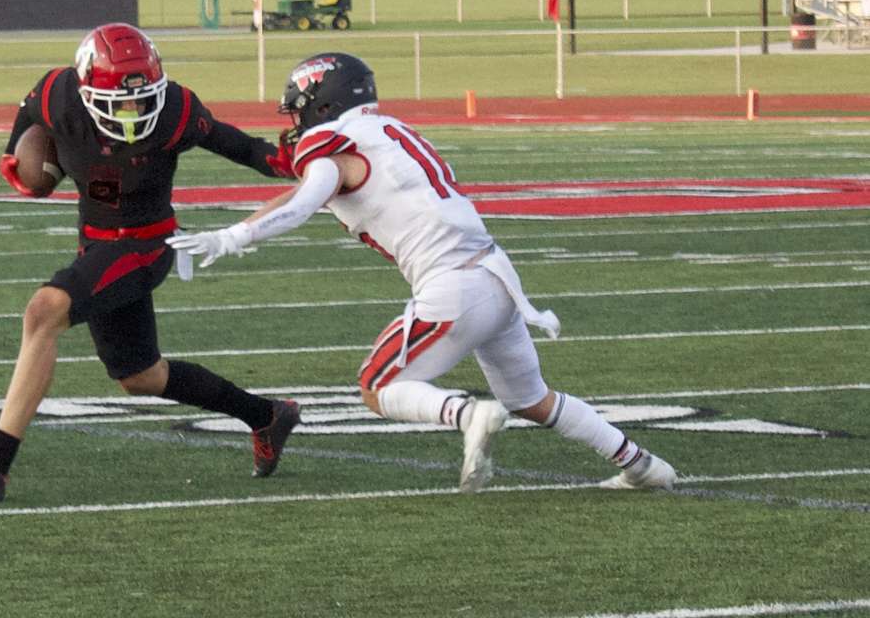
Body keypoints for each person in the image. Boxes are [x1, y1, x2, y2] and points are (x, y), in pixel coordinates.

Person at [167, 52, 677, 493]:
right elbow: (303, 196)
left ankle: (464, 413)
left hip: (452, 285)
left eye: (301, 110)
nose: (297, 123)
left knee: (376, 385)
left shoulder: (332, 144)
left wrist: (232, 238)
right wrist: (235, 228)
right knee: (531, 399)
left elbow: (303, 203)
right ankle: (641, 465)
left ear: (323, 103)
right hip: (497, 277)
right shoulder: (386, 131)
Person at [0, 23, 301, 502]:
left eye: (143, 99)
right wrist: (29, 167)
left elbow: (242, 147)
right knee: (140, 376)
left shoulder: (176, 109)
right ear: (86, 91)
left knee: (43, 311)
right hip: (96, 244)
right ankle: (266, 415)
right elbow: (24, 150)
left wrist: (295, 161)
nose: (135, 109)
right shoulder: (58, 92)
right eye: (121, 101)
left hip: (147, 243)